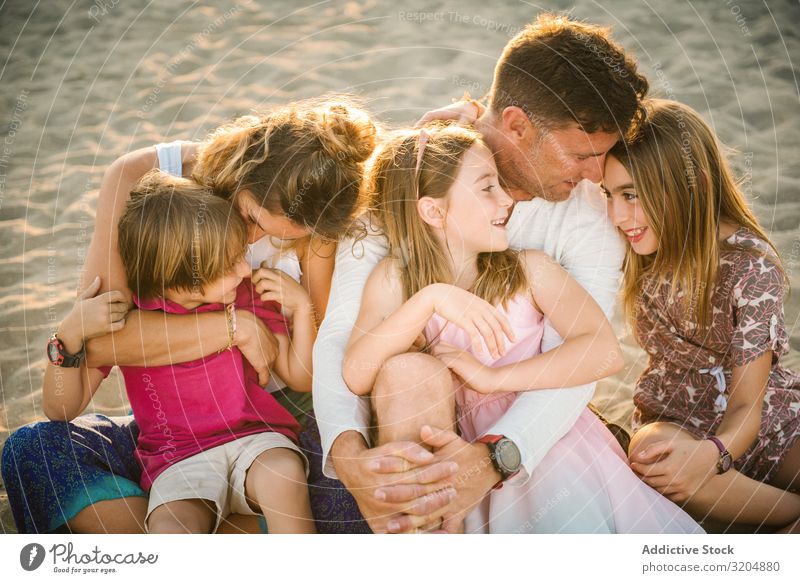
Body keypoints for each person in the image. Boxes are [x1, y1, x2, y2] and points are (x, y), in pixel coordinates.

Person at [313, 13, 649, 533]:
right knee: (409, 371)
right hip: (411, 419)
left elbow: (582, 358)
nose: (596, 175)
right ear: (515, 125)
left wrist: (492, 459)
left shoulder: (586, 218)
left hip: (527, 429)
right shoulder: (417, 175)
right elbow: (341, 335)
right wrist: (350, 458)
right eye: (583, 154)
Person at [2, 97, 377, 533]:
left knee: (346, 489)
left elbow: (311, 362)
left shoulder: (315, 212)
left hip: (269, 427)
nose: (250, 246)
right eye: (251, 218)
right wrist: (233, 328)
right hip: (172, 444)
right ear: (243, 169)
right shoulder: (145, 190)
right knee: (33, 454)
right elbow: (101, 341)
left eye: (276, 238)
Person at [341, 123, 702, 533]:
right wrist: (431, 299)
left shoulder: (529, 270)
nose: (505, 200)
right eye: (486, 188)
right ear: (433, 211)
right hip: (455, 447)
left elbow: (604, 352)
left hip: (544, 448)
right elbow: (356, 374)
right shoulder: (396, 281)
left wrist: (493, 378)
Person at [42, 172, 315, 533]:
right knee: (171, 529)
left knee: (283, 475)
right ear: (183, 277)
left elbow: (300, 376)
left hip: (256, 439)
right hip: (177, 459)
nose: (244, 268)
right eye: (230, 262)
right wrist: (69, 333)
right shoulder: (130, 320)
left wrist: (303, 310)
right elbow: (61, 408)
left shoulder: (247, 295)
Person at [602, 98, 800, 532]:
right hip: (675, 420)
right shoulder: (636, 241)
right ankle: (789, 518)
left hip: (763, 421)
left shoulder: (751, 267)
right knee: (654, 459)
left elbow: (749, 402)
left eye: (631, 195)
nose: (617, 215)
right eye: (610, 194)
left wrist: (715, 453)